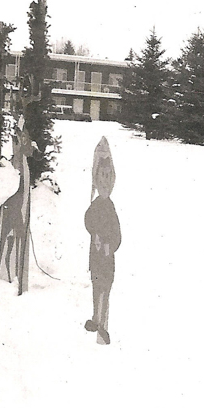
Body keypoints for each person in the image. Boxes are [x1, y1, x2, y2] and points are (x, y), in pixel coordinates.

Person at [84, 140, 121, 345]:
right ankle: (96, 318)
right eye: (101, 177)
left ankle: (102, 324)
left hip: (107, 259)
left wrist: (110, 245)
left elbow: (117, 234)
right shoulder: (95, 206)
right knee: (96, 286)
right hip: (96, 256)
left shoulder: (110, 207)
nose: (104, 182)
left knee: (105, 289)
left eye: (108, 177)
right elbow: (88, 221)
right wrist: (95, 235)